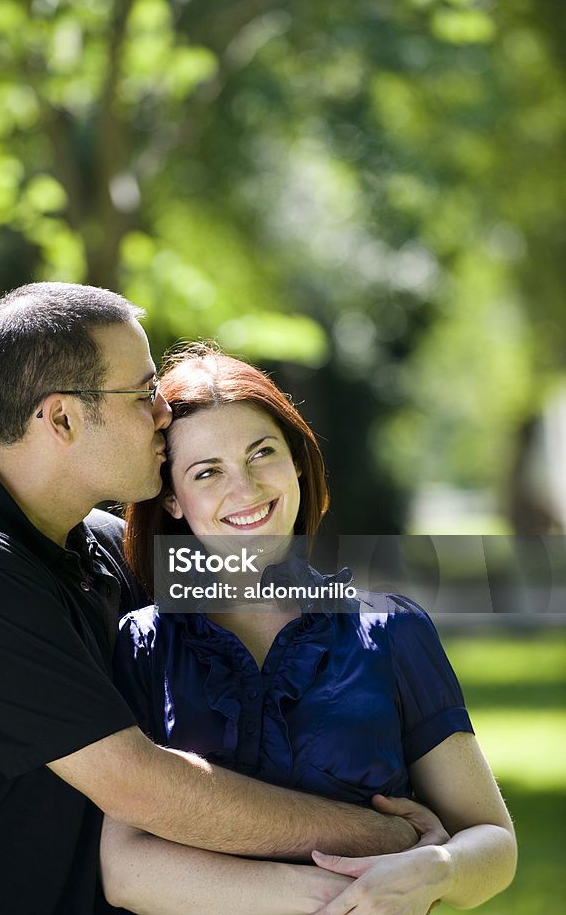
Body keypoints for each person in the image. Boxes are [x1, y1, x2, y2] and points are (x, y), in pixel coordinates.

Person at [0, 283, 441, 915]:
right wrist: (392, 836)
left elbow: (272, 608)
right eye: (144, 393)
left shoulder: (100, 545)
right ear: (62, 417)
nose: (163, 415)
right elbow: (145, 788)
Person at [104, 344, 517, 915]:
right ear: (172, 498)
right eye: (207, 472)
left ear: (296, 460)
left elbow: (494, 844)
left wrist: (438, 867)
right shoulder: (142, 645)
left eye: (261, 453)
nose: (245, 488)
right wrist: (359, 894)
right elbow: (125, 870)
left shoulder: (393, 630)